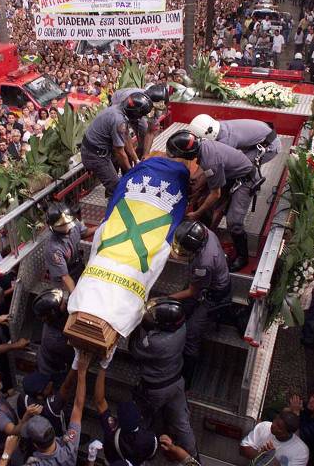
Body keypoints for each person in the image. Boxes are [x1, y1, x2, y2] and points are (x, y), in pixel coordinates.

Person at [166, 130, 257, 272]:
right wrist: (196, 194)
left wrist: (196, 213)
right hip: (229, 172)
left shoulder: (211, 160)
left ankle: (242, 257)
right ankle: (203, 232)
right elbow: (206, 174)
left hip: (244, 180)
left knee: (234, 222)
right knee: (202, 200)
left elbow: (215, 194)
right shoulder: (203, 146)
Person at [129, 298, 197, 456]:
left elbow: (134, 349)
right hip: (177, 383)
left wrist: (143, 326)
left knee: (142, 418)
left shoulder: (155, 343)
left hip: (155, 389)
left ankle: (139, 449)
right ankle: (192, 456)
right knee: (182, 423)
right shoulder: (181, 327)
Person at [168, 220, 231, 385]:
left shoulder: (203, 263)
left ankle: (186, 377)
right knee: (184, 308)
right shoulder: (204, 232)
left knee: (191, 333)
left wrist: (168, 298)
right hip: (206, 284)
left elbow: (193, 292)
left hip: (214, 295)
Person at [1, 352, 91, 466]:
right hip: (62, 435)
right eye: (47, 384)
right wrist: (79, 369)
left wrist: (6, 454)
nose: (50, 383)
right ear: (40, 393)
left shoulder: (22, 399)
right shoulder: (69, 449)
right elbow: (73, 399)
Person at [81, 95, 153, 198]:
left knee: (116, 181)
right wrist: (130, 172)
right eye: (141, 115)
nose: (141, 118)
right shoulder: (119, 121)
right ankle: (113, 208)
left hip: (97, 149)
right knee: (116, 188)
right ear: (135, 113)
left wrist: (136, 160)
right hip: (94, 155)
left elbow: (126, 137)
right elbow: (120, 152)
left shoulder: (119, 109)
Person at [94, 368, 158, 464]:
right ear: (140, 417)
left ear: (118, 420)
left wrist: (103, 367)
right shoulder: (150, 439)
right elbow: (150, 456)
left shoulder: (111, 430)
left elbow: (99, 402)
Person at [44, 203, 93, 293]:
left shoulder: (74, 224)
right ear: (52, 227)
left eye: (68, 223)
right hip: (64, 279)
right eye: (61, 225)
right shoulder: (53, 249)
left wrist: (101, 227)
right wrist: (74, 297)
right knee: (66, 301)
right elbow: (65, 277)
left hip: (78, 265)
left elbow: (84, 233)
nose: (66, 226)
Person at [31, 289, 74, 379]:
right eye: (62, 303)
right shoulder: (55, 339)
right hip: (51, 369)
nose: (65, 303)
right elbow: (74, 353)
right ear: (54, 312)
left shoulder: (52, 319)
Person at [240, 411, 309, 466]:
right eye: (275, 420)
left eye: (279, 426)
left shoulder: (301, 452)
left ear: (288, 433)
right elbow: (243, 449)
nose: (273, 425)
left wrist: (271, 458)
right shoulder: (264, 426)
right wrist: (261, 454)